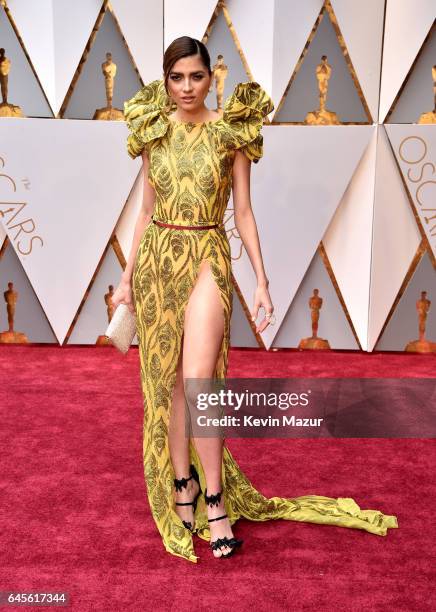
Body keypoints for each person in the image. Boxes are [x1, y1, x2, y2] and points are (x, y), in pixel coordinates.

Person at [112, 36, 398, 563]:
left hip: (206, 257)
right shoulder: (153, 128)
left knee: (201, 383)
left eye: (196, 77)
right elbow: (146, 208)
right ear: (166, 79)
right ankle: (184, 487)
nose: (185, 88)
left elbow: (242, 211)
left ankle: (215, 500)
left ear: (210, 77)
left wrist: (262, 280)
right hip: (155, 261)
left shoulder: (231, 131)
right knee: (171, 385)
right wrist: (127, 278)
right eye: (176, 78)